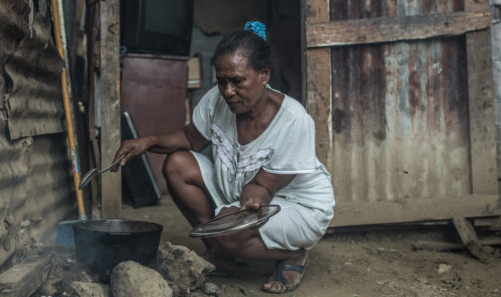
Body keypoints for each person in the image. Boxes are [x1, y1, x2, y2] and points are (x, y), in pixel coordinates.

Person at [111, 21, 334, 294]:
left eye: (238, 81)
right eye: (221, 81)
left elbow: (262, 188)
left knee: (228, 231)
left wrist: (233, 217)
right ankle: (225, 252)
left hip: (295, 203)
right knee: (177, 164)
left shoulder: (294, 120)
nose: (228, 91)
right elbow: (191, 138)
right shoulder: (217, 99)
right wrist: (148, 142)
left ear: (264, 74)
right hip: (240, 185)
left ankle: (291, 255)